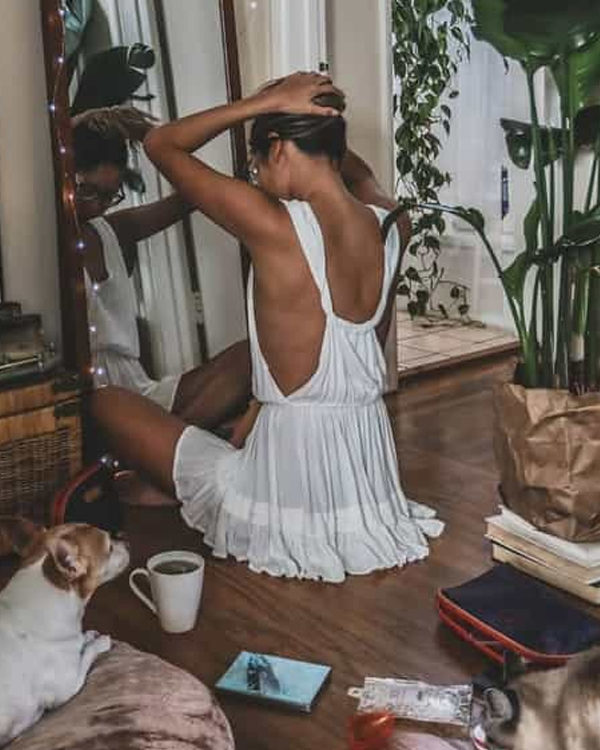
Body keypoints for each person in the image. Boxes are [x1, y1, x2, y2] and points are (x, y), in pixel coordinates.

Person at [91, 73, 443, 582]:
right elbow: (360, 174)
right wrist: (320, 124)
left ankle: (171, 485)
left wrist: (264, 102)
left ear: (276, 148)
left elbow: (161, 144)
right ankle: (179, 477)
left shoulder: (275, 225)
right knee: (222, 416)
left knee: (105, 401)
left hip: (280, 492)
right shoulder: (391, 224)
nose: (254, 176)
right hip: (365, 490)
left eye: (256, 162)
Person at [73, 106, 251, 433]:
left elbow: (193, 192)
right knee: (227, 427)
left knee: (252, 356)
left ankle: (166, 439)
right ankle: (174, 438)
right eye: (88, 190)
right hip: (91, 404)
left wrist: (148, 137)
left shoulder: (111, 231)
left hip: (139, 394)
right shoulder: (46, 242)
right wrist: (86, 120)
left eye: (110, 195)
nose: (97, 205)